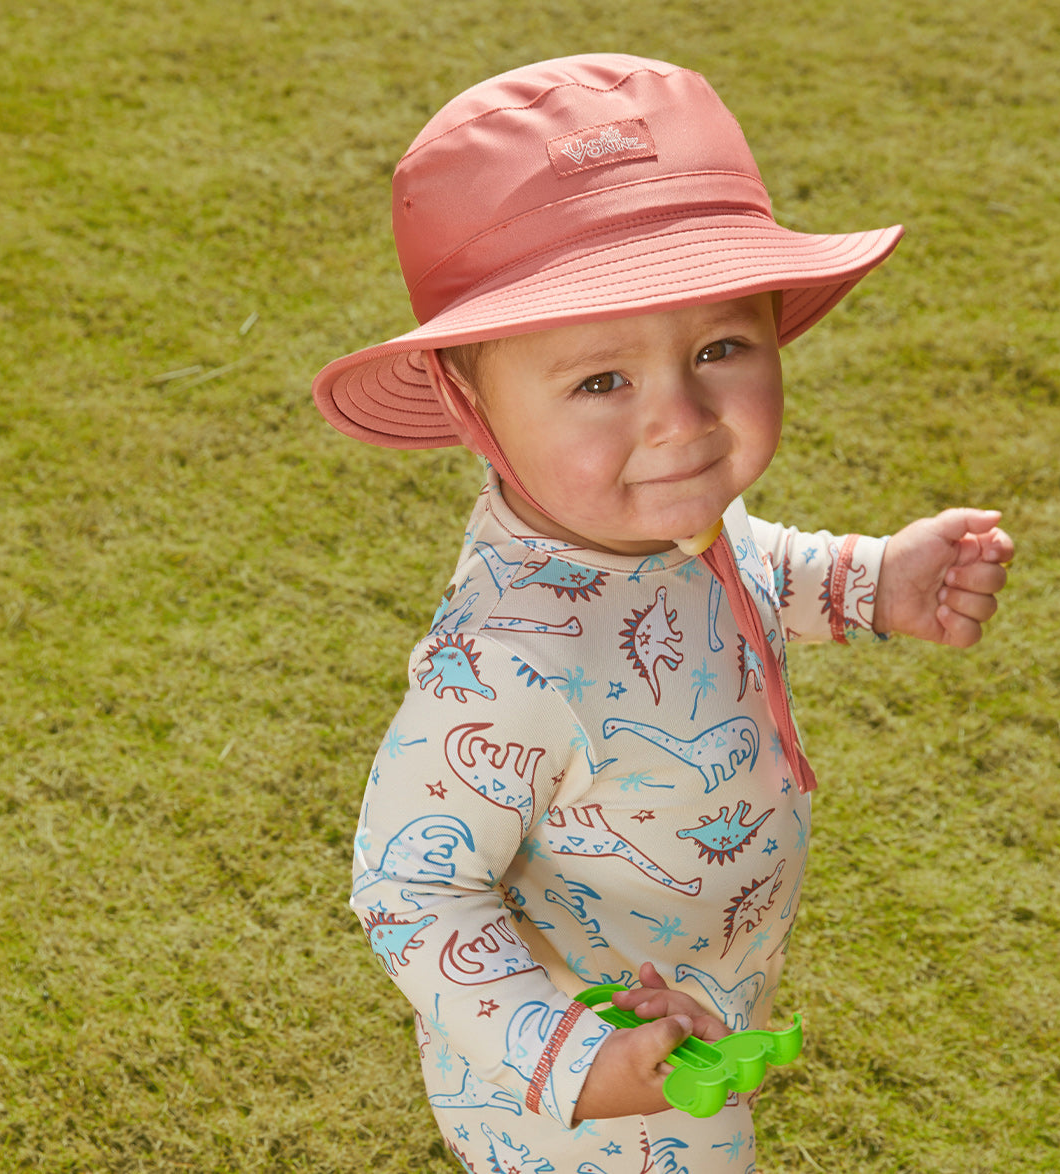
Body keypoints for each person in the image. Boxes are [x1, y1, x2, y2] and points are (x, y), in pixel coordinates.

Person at [312, 54, 1014, 1174]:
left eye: (719, 349)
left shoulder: (661, 527)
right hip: (593, 1081)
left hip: (700, 995)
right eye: (602, 381)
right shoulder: (506, 665)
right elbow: (411, 884)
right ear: (466, 398)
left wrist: (875, 581)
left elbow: (747, 567)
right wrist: (568, 1057)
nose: (681, 419)